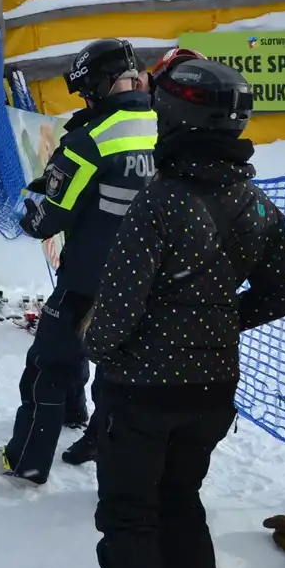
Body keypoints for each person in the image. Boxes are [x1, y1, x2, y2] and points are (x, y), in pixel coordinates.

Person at [79, 58, 285, 568]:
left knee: (129, 519)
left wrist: (96, 344)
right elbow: (284, 284)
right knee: (181, 506)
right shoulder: (254, 202)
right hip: (212, 389)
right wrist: (225, 322)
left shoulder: (159, 201)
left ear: (174, 116)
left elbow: (113, 318)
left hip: (142, 393)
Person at [0, 38, 157, 485]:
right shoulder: (165, 126)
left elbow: (44, 221)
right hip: (152, 281)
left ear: (99, 84)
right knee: (124, 372)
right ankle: (100, 439)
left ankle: (26, 460)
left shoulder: (91, 140)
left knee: (46, 365)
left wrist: (28, 200)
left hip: (91, 280)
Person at [62, 45, 209, 467]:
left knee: (125, 368)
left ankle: (123, 452)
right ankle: (106, 437)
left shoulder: (181, 147)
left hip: (150, 278)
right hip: (160, 276)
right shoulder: (166, 135)